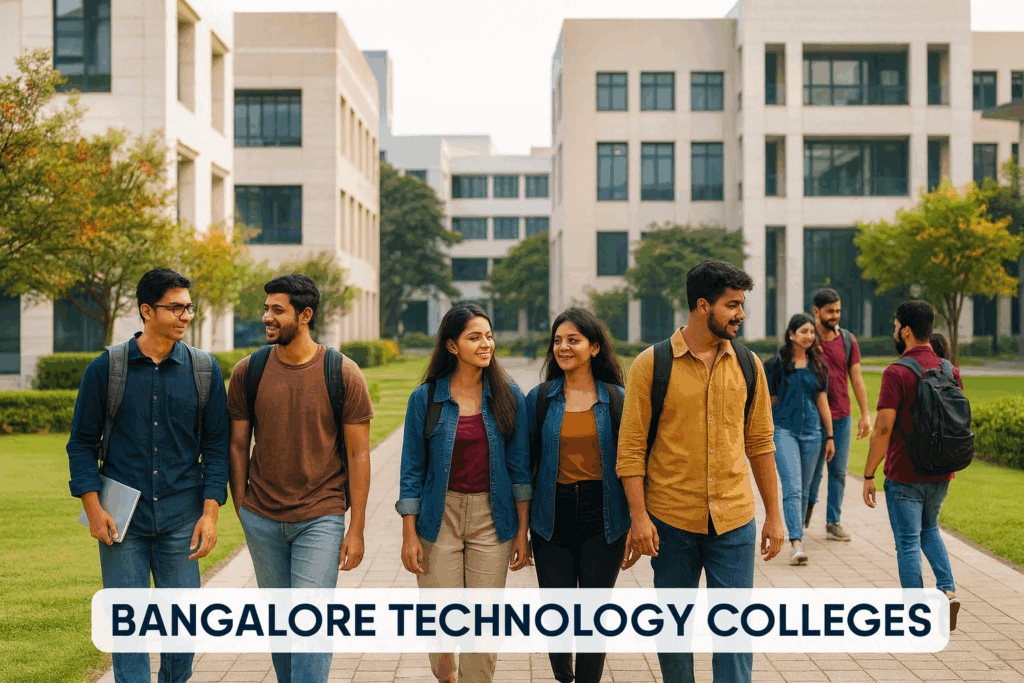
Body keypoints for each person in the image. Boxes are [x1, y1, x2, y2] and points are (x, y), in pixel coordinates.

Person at [616, 260, 783, 683]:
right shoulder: (651, 365)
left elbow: (761, 445)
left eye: (741, 304)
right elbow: (631, 449)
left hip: (734, 519)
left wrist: (776, 516)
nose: (741, 314)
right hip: (670, 520)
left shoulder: (749, 366)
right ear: (702, 305)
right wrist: (638, 518)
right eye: (733, 305)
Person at [67, 268, 229, 683]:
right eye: (175, 307)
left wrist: (210, 515)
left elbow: (215, 448)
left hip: (182, 517)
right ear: (146, 310)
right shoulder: (105, 369)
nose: (185, 315)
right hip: (123, 523)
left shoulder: (204, 370)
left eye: (188, 307)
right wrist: (93, 505)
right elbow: (81, 444)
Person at [227, 274, 374, 683]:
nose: (266, 317)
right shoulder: (248, 371)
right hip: (262, 516)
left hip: (321, 515)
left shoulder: (342, 373)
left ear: (305, 315)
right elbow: (237, 446)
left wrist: (356, 528)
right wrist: (242, 508)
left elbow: (360, 455)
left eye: (277, 310)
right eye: (266, 309)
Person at [396, 302, 532, 683]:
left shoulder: (509, 396)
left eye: (489, 336)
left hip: (494, 517)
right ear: (452, 346)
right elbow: (411, 471)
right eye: (475, 337)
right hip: (439, 519)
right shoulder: (426, 399)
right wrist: (409, 534)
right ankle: (447, 674)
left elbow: (520, 471)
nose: (486, 344)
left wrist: (522, 531)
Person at [526, 307, 641, 683]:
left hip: (604, 517)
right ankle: (563, 674)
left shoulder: (619, 399)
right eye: (557, 341)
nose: (563, 347)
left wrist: (639, 521)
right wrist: (522, 531)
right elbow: (524, 468)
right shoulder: (540, 399)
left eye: (573, 340)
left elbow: (634, 463)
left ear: (594, 347)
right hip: (551, 517)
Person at [862, 300, 962, 630]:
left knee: (907, 542)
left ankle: (915, 616)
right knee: (929, 529)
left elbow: (883, 427)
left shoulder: (898, 372)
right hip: (942, 470)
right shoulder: (949, 370)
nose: (894, 331)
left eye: (895, 325)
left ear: (905, 330)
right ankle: (947, 592)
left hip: (905, 473)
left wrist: (867, 473)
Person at [764, 314, 835, 566]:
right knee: (793, 488)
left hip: (813, 433)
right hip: (784, 431)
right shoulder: (775, 365)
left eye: (811, 332)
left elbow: (822, 401)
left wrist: (830, 436)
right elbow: (768, 401)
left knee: (804, 490)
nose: (809, 336)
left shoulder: (818, 366)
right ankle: (796, 543)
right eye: (803, 331)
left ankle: (798, 532)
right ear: (792, 334)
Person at [805, 288, 872, 541]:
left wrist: (865, 414)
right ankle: (803, 515)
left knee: (838, 473)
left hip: (841, 417)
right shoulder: (806, 338)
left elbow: (857, 378)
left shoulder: (848, 340)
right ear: (816, 311)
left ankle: (833, 521)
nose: (835, 316)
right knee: (811, 472)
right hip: (812, 417)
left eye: (838, 311)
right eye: (830, 311)